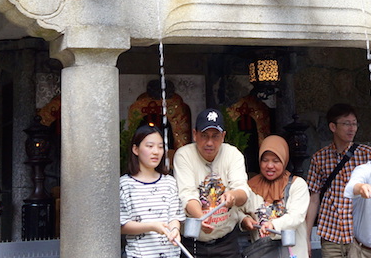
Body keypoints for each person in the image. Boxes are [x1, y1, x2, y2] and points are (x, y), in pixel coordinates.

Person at [173, 108, 251, 258]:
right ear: (195, 134)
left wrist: (233, 196)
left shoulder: (233, 154)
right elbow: (187, 194)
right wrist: (200, 217)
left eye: (215, 136)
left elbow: (243, 191)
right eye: (204, 136)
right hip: (194, 240)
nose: (209, 142)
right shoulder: (184, 155)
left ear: (223, 136)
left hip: (226, 241)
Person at [306, 104, 371, 258]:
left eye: (354, 123)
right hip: (331, 234)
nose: (352, 128)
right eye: (346, 124)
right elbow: (313, 199)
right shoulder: (319, 158)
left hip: (360, 235)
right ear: (333, 127)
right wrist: (307, 236)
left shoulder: (367, 155)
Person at [240, 135, 310, 258]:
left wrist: (273, 225)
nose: (270, 166)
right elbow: (237, 211)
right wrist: (244, 220)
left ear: (284, 160)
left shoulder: (297, 185)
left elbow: (296, 216)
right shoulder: (250, 187)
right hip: (263, 253)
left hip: (293, 253)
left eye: (276, 161)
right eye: (265, 160)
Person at [120, 125, 183, 258]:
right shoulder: (125, 184)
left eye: (160, 147)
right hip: (139, 254)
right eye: (150, 146)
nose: (156, 152)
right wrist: (152, 226)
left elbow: (174, 217)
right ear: (135, 149)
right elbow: (122, 225)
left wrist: (175, 230)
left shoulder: (169, 182)